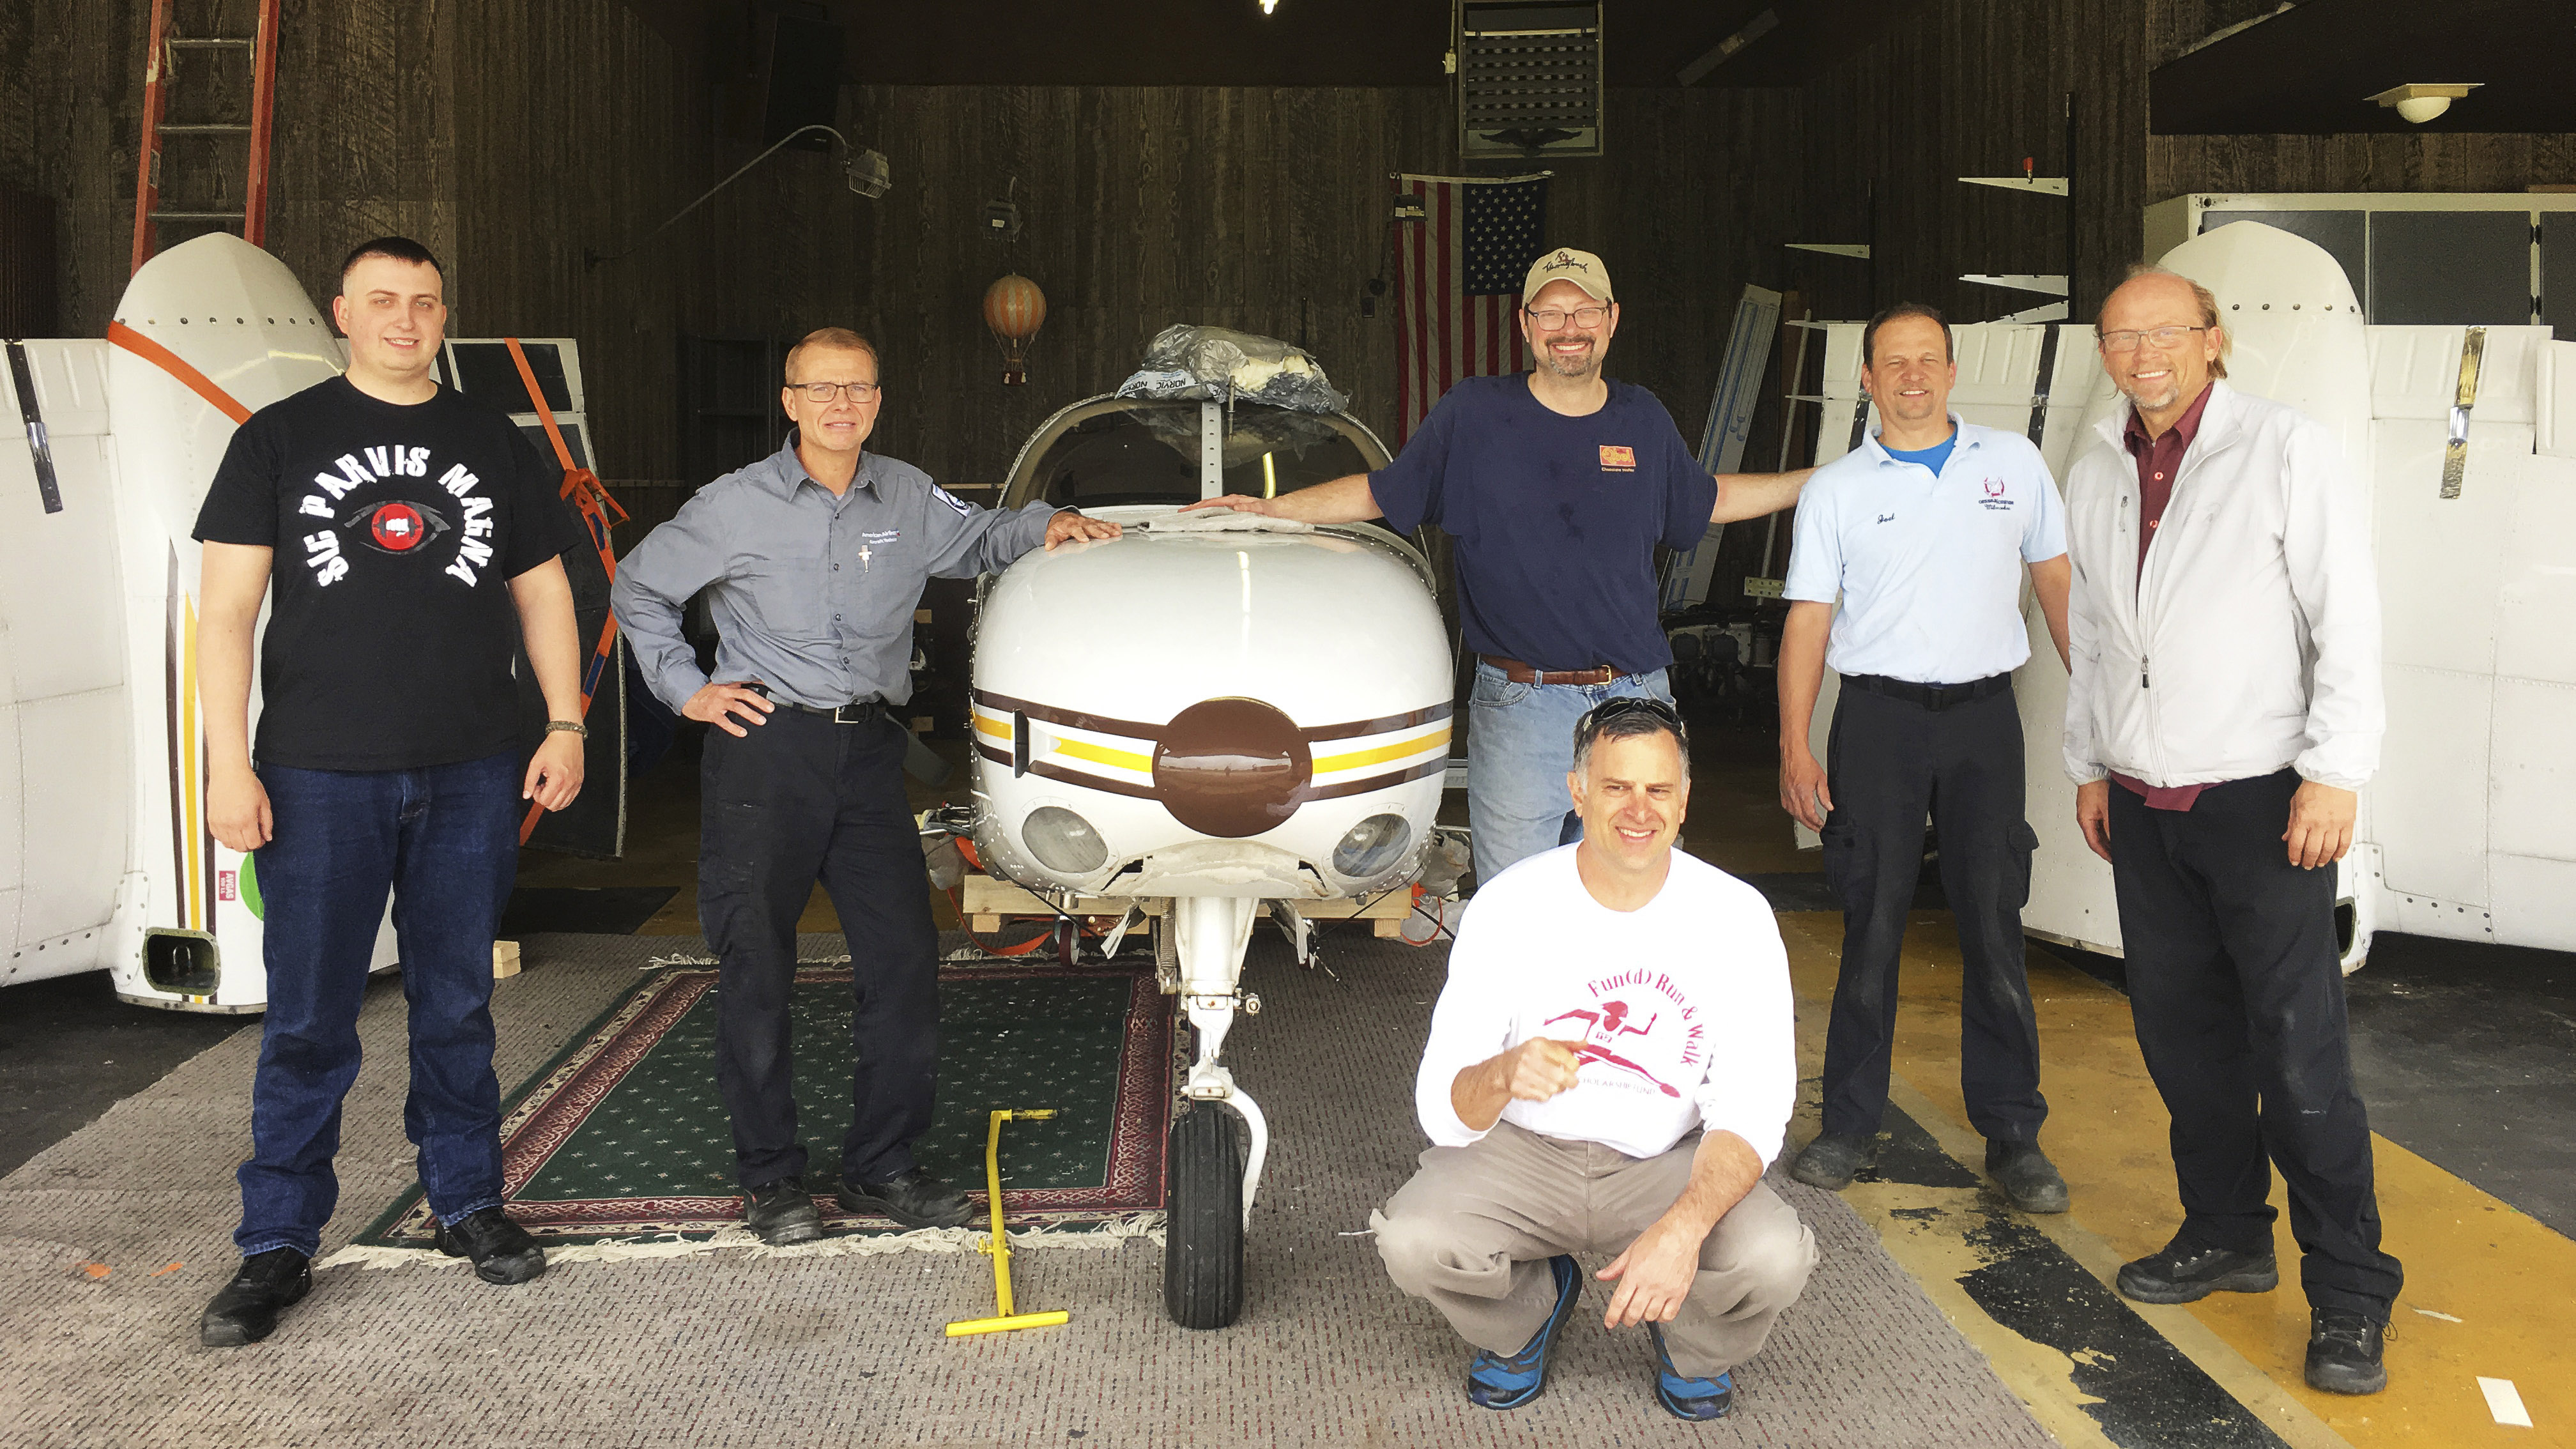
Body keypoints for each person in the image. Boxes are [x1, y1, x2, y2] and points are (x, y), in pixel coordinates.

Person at [611, 328, 1119, 1244]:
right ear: (791, 401)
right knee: (756, 963)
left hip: (867, 758)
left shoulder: (906, 493)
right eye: (822, 389)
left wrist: (1047, 525)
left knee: (903, 963)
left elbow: (980, 536)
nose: (840, 404)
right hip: (764, 753)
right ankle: (772, 1180)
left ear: (877, 401)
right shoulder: (733, 506)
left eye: (857, 389)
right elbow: (638, 587)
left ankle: (882, 1166)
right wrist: (688, 691)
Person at [195, 237, 589, 1346]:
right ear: (342, 314)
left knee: (455, 1001)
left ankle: (469, 1202)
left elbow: (544, 587)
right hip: (317, 774)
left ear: (442, 315)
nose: (404, 319)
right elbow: (223, 615)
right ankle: (277, 1240)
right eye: (382, 301)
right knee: (311, 1017)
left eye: (423, 302)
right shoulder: (278, 439)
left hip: (474, 766)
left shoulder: (488, 440)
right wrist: (231, 763)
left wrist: (565, 721)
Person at [1183, 247, 1810, 884]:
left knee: (1636, 898)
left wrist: (1813, 484)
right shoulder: (1475, 414)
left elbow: (1709, 499)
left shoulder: (1641, 418)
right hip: (1521, 704)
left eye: (1585, 311)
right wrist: (1273, 510)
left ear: (1612, 318)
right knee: (1519, 906)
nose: (1570, 328)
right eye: (1552, 312)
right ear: (1525, 324)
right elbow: (1384, 491)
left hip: (1636, 697)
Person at [2065, 266, 2399, 1395]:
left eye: (2164, 332)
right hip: (2145, 805)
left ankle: (2350, 1292)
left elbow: (2343, 615)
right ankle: (2227, 1231)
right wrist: (2089, 761)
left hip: (2263, 799)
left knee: (2298, 1054)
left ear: (2214, 339)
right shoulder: (2099, 460)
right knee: (2181, 1039)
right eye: (2121, 336)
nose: (2142, 353)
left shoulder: (2283, 447)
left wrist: (2334, 771)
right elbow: (2102, 638)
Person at [1372, 698, 1816, 1422]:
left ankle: (1693, 1345)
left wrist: (1684, 1229)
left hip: (1665, 1160)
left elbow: (1755, 1102)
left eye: (1658, 790)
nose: (1638, 809)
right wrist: (1503, 1073)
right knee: (1415, 1240)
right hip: (1525, 1154)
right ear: (1578, 793)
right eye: (1616, 787)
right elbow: (1440, 1110)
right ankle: (1526, 1319)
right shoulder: (1511, 905)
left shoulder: (1736, 916)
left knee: (1772, 1256)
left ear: (1683, 802)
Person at [1774, 303, 2075, 1214]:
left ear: (1952, 372)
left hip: (1986, 722)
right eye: (1892, 362)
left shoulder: (2012, 466)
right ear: (1865, 380)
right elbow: (1808, 622)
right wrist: (1794, 744)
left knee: (1993, 923)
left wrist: (2103, 710)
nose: (1911, 375)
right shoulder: (1837, 489)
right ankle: (1850, 1122)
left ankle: (2014, 1134)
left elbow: (2057, 584)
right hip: (1877, 723)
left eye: (1927, 360)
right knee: (1871, 922)